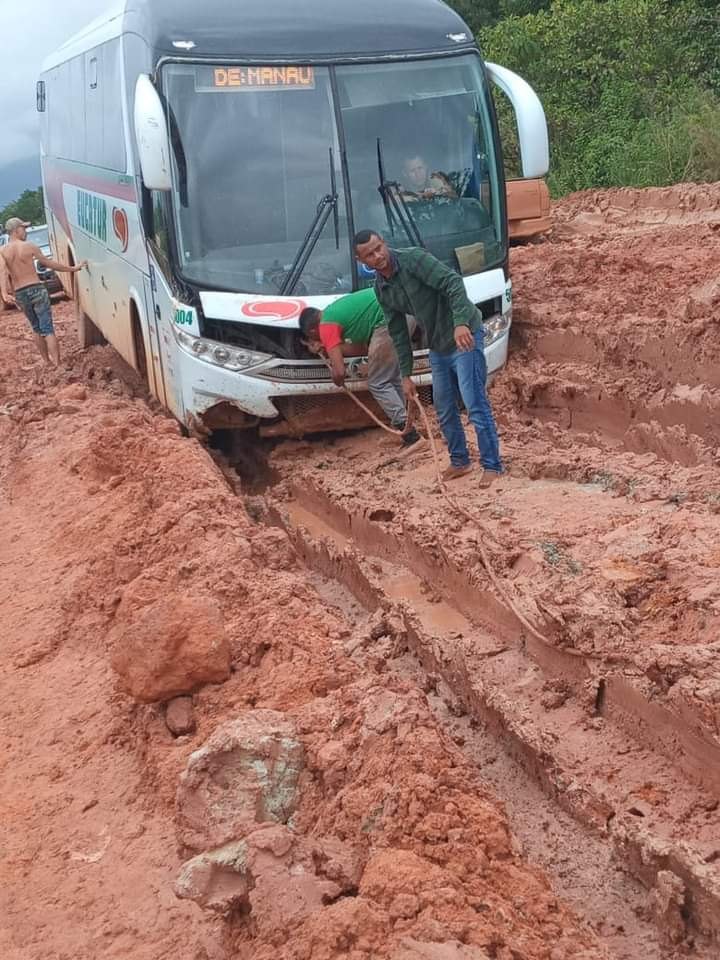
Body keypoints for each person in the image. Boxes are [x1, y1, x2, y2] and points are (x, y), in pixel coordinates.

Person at [353, 229, 503, 486]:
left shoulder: (413, 260)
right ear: (362, 261)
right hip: (438, 346)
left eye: (379, 248)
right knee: (443, 408)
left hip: (463, 335)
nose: (378, 256)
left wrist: (460, 323)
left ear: (385, 244)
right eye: (370, 254)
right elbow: (398, 332)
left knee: (473, 401)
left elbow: (452, 282)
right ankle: (460, 462)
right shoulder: (382, 289)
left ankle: (492, 465)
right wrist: (406, 375)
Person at [299, 287, 421, 447]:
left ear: (312, 330)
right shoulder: (334, 314)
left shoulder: (326, 325)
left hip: (388, 320)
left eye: (311, 337)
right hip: (404, 313)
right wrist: (328, 348)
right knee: (390, 377)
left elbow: (340, 373)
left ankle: (410, 435)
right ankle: (407, 425)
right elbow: (366, 349)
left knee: (378, 383)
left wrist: (336, 377)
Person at [0, 218, 87, 366]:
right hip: (36, 289)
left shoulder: (3, 251)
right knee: (47, 328)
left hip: (20, 293)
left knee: (36, 327)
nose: (25, 231)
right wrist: (73, 268)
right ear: (15, 230)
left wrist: (4, 293)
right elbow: (48, 263)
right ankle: (58, 364)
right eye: (23, 228)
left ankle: (46, 361)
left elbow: (2, 271)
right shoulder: (29, 246)